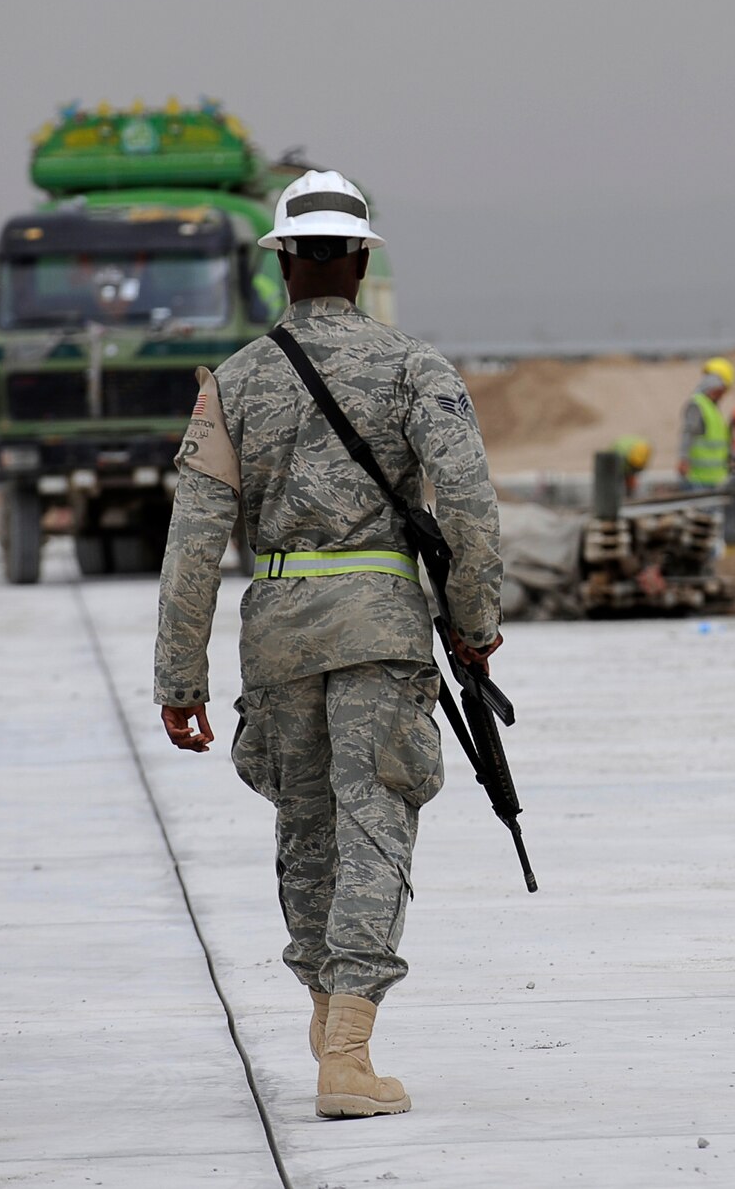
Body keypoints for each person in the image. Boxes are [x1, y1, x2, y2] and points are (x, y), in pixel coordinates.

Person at [153, 170, 503, 1121]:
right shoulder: (414, 368)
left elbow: (192, 540)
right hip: (381, 631)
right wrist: (474, 628)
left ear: (282, 268)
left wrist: (178, 676)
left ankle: (322, 1012)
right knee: (376, 824)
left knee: (304, 832)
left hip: (277, 635)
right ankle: (347, 1049)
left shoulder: (231, 383)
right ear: (356, 264)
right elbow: (468, 508)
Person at [678, 357, 733, 487]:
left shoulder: (711, 408)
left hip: (713, 478)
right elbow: (688, 433)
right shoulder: (698, 405)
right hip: (698, 479)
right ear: (716, 388)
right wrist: (683, 459)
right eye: (723, 391)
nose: (723, 395)